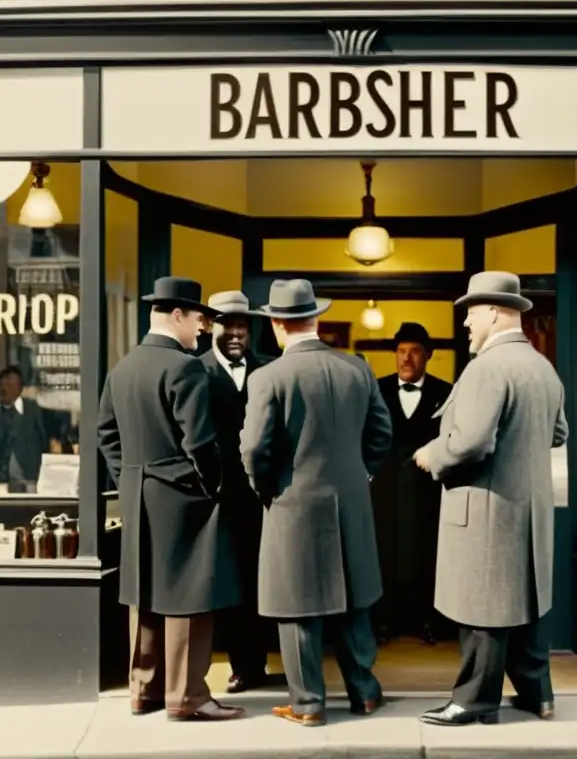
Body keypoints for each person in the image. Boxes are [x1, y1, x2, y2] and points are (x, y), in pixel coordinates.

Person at [413, 270, 568, 727]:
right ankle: (539, 696)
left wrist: (431, 454)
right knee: (527, 605)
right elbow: (558, 434)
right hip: (530, 508)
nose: (465, 324)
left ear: (497, 312)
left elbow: (470, 443)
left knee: (481, 607)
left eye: (471, 314)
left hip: (485, 506)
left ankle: (474, 702)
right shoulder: (543, 366)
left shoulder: (486, 366)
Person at [240, 278, 393, 726]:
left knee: (298, 606)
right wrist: (360, 474)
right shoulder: (357, 369)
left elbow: (254, 449)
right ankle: (364, 692)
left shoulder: (267, 376)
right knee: (354, 599)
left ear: (275, 323)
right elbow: (381, 433)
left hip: (292, 503)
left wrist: (266, 488)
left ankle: (308, 704)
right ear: (316, 318)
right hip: (351, 501)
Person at [96, 276, 244, 722]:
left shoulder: (122, 367)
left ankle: (144, 690)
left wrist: (129, 478)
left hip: (138, 493)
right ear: (177, 315)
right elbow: (200, 442)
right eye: (199, 319)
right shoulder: (185, 367)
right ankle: (187, 696)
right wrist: (211, 485)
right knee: (189, 594)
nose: (202, 329)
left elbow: (106, 434)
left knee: (144, 590)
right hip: (182, 493)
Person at [198, 290, 276, 694]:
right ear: (211, 326)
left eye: (241, 325)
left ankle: (256, 662)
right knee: (226, 583)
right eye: (225, 323)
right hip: (216, 496)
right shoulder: (196, 371)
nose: (234, 332)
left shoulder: (269, 370)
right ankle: (236, 664)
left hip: (263, 497)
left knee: (260, 581)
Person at [370, 322, 453, 645]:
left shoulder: (445, 393)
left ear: (428, 355)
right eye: (402, 351)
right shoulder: (376, 390)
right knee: (385, 553)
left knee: (426, 553)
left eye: (415, 351)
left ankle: (428, 622)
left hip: (427, 490)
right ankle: (384, 624)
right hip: (385, 489)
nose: (407, 359)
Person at [0, 365, 47, 492]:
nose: (4, 388)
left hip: (30, 479)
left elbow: (44, 440)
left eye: (10, 384)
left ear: (20, 388)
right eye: (1, 386)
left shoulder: (35, 411)